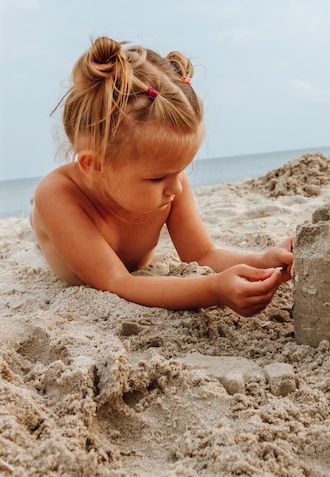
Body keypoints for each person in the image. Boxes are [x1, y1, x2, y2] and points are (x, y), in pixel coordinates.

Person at [30, 36, 293, 317]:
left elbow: (202, 255)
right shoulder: (60, 196)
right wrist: (214, 290)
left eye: (181, 170)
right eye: (157, 179)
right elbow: (117, 281)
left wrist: (263, 261)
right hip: (60, 225)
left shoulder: (171, 184)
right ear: (95, 166)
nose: (175, 187)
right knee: (41, 206)